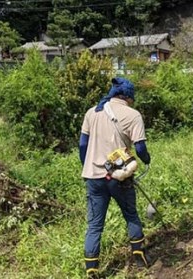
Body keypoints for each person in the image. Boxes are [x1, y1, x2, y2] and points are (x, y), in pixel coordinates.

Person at [79, 77, 152, 278]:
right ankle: (139, 257)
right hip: (120, 177)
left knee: (95, 225)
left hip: (94, 178)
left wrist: (88, 165)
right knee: (131, 215)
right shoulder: (133, 115)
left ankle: (92, 269)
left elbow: (83, 145)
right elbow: (140, 147)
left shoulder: (92, 112)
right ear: (128, 96)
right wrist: (146, 160)